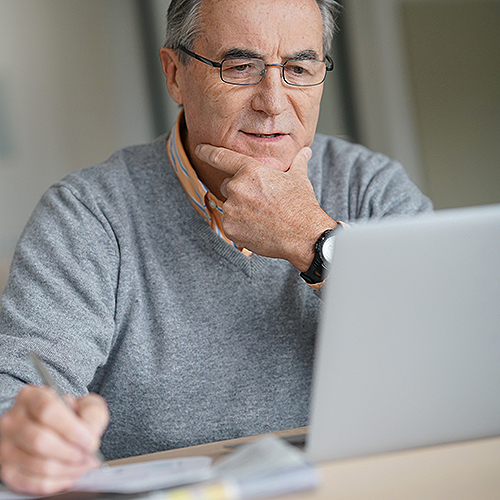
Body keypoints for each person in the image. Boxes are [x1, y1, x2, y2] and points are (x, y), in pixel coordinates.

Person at [0, 0, 432, 494]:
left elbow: (450, 356)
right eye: (241, 66)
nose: (272, 101)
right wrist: (25, 434)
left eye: (298, 68)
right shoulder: (88, 214)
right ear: (175, 74)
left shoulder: (371, 188)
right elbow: (15, 388)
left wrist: (312, 241)